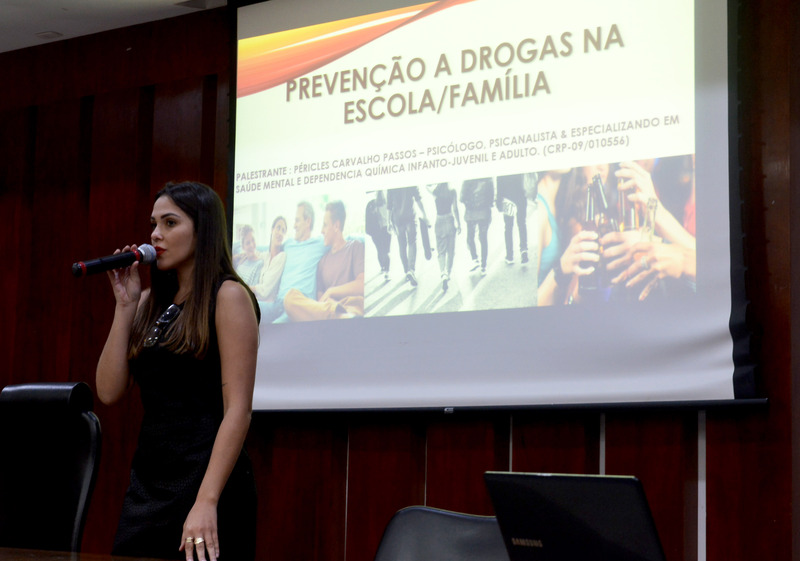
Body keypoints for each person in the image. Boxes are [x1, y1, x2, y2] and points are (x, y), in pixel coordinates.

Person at [96, 181, 260, 561]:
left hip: (207, 482)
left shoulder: (228, 296)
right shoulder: (148, 302)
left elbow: (238, 410)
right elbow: (108, 391)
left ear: (203, 230)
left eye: (170, 223)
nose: (156, 234)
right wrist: (125, 307)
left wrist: (207, 501)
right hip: (150, 481)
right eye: (153, 224)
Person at [284, 200, 365, 320]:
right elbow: (320, 301)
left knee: (346, 314)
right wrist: (330, 305)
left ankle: (342, 317)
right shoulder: (322, 261)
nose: (322, 231)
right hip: (327, 311)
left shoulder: (355, 247)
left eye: (325, 225)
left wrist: (331, 291)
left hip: (350, 307)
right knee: (290, 297)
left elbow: (362, 285)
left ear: (336, 226)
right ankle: (339, 316)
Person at [261, 201, 328, 323]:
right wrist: (249, 254)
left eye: (297, 220)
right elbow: (269, 249)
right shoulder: (288, 244)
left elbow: (343, 240)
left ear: (308, 221)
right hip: (277, 304)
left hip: (298, 307)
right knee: (245, 307)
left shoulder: (320, 243)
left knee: (273, 329)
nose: (294, 226)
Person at [387, 186, 428, 286]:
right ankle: (411, 270)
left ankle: (406, 270)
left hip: (397, 219)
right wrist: (424, 215)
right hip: (410, 217)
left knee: (402, 244)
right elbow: (418, 199)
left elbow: (389, 206)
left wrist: (388, 222)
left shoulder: (391, 185)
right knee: (412, 242)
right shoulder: (411, 182)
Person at [427, 182, 461, 291]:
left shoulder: (436, 192)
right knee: (450, 251)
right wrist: (459, 224)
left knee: (441, 251)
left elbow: (427, 186)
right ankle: (448, 273)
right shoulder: (452, 191)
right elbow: (455, 209)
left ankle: (443, 273)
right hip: (450, 220)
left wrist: (433, 182)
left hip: (439, 221)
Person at [460, 177, 494, 275]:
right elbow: (491, 199)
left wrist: (469, 203)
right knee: (483, 238)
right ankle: (483, 266)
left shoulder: (467, 180)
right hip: (484, 213)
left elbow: (461, 198)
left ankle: (475, 259)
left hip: (471, 214)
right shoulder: (488, 180)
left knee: (470, 237)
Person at [251, 216, 287, 303]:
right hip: (257, 299)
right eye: (278, 228)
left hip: (268, 303)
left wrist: (245, 287)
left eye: (283, 231)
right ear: (272, 229)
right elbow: (252, 253)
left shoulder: (281, 257)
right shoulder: (266, 256)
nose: (280, 233)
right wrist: (239, 255)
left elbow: (265, 291)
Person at [495, 173, 529, 265]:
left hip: (507, 200)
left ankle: (509, 256)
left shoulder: (501, 172)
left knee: (508, 228)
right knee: (522, 224)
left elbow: (499, 189)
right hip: (521, 198)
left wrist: (498, 203)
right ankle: (524, 251)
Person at [365, 190, 392, 281]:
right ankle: (387, 272)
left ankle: (382, 267)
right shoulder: (388, 204)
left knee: (379, 250)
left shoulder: (371, 205)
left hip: (375, 231)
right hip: (386, 229)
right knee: (386, 251)